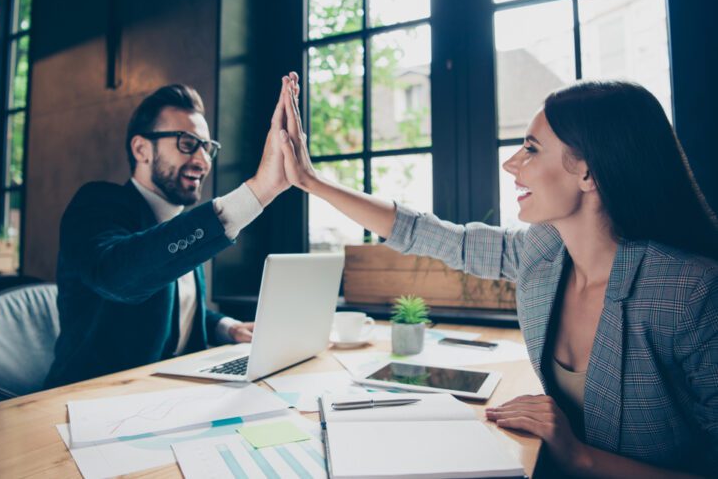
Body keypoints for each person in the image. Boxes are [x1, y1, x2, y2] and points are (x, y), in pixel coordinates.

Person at [277, 74, 718, 476]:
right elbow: (426, 234)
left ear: (588, 171)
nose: (511, 164)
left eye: (531, 149)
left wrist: (577, 454)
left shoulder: (690, 292)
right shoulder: (542, 252)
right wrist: (311, 181)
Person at [45, 79, 295, 388]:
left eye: (207, 148)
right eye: (187, 143)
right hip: (87, 399)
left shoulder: (185, 224)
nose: (203, 161)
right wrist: (256, 192)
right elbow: (120, 278)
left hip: (173, 392)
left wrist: (227, 328)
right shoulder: (96, 203)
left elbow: (176, 309)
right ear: (141, 149)